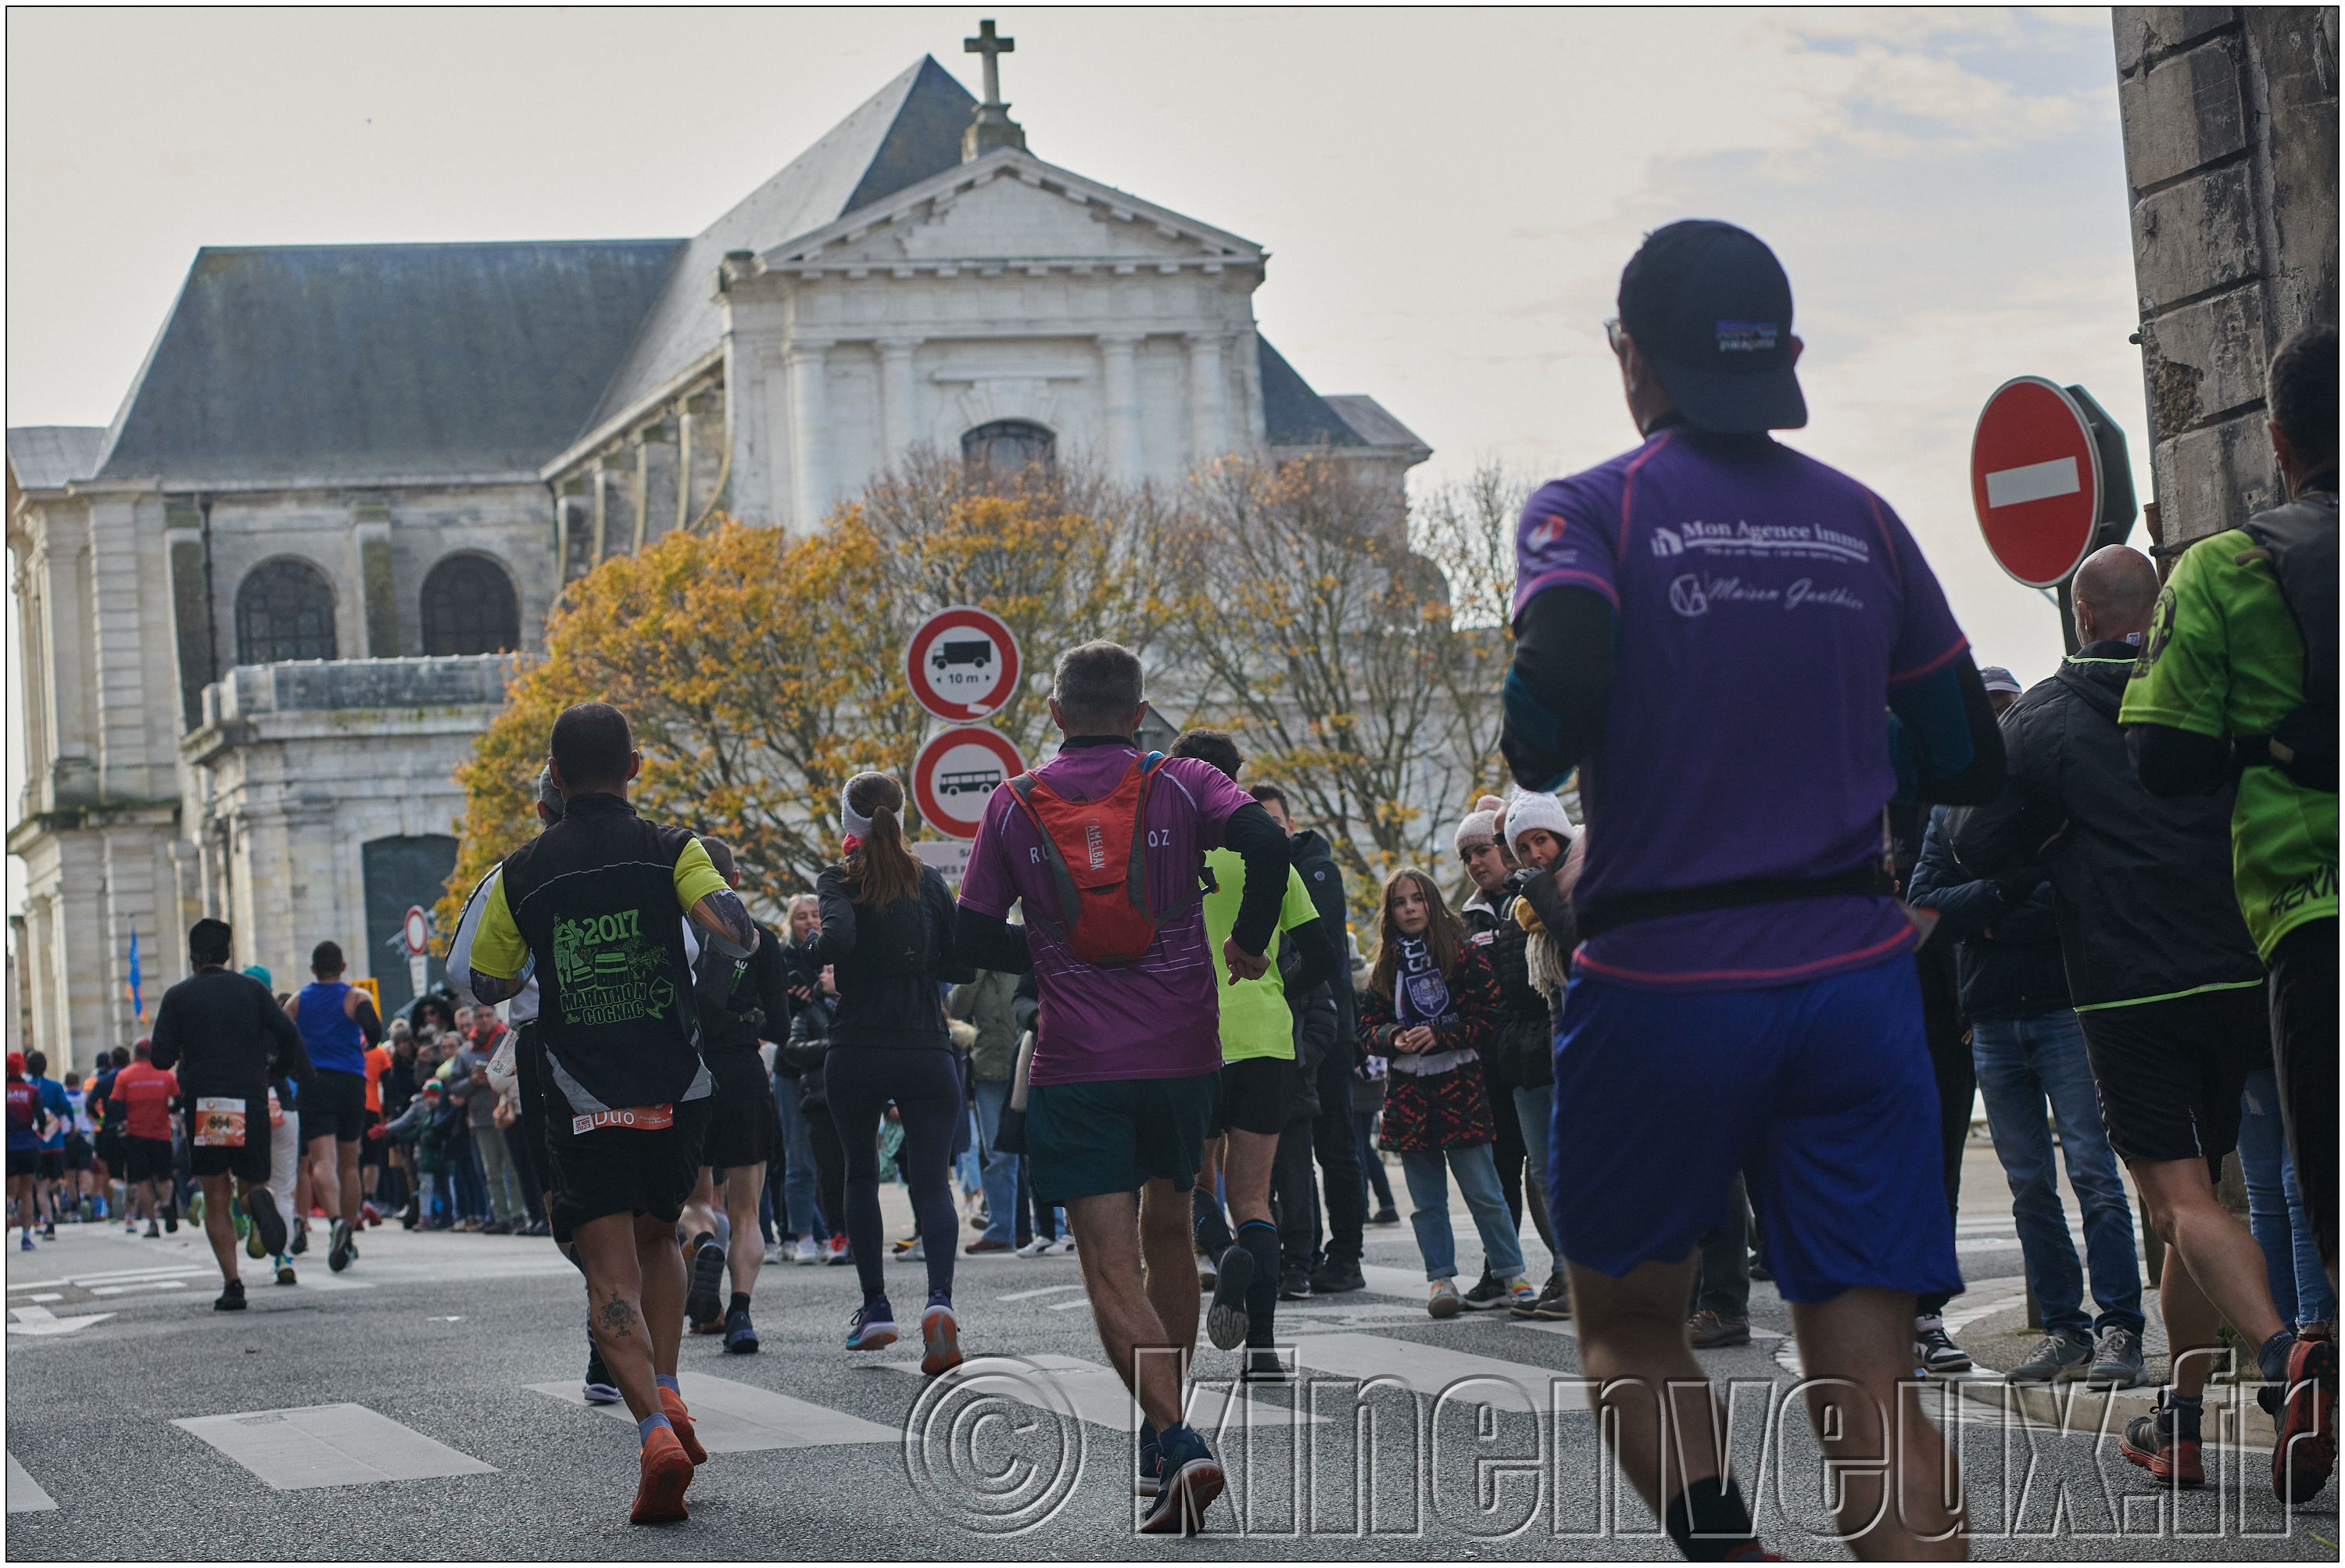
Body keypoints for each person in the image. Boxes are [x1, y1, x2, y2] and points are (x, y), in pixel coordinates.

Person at [1502, 221, 1997, 1558]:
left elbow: (1549, 709)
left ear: (1631, 359)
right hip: (1852, 976)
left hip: (1665, 979)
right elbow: (1963, 752)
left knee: (1628, 1329)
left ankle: (1727, 1549)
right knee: (1871, 1381)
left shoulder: (1585, 507)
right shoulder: (1864, 519)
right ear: (1784, 356)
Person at [1954, 541, 2323, 1496]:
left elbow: (1973, 839)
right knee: (2193, 1209)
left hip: (2128, 989)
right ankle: (2185, 1421)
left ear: (2081, 617)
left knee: (2181, 1200)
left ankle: (2290, 1360)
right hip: (2243, 967)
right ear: (2157, 611)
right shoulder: (2210, 689)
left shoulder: (2039, 719)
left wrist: (2048, 831)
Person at [954, 640, 1293, 1534]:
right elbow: (1265, 835)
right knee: (1172, 1228)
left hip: (1079, 1062)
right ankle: (1165, 1430)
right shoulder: (1181, 781)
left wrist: (1042, 945)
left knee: (1109, 1264)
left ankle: (1173, 1433)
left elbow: (966, 936)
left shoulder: (1014, 802)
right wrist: (1251, 937)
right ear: (1141, 713)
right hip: (1184, 1056)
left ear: (1056, 714)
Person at [2123, 322, 2337, 1495]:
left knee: (2330, 1192)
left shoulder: (2225, 568)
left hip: (2314, 915)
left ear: (2276, 437)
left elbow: (2159, 755)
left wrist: (2262, 738)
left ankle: (2318, 1366)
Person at [463, 702, 761, 1525]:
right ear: (636, 767)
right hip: (675, 1083)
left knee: (608, 1269)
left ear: (553, 776)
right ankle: (670, 1384)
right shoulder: (674, 847)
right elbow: (736, 935)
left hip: (581, 1090)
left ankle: (655, 1429)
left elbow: (486, 981)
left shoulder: (522, 870)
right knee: (661, 1232)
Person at [1910, 800, 2143, 1386]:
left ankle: (2121, 1328)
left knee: (2094, 1172)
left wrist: (1984, 909)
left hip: (2062, 1008)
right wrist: (2011, 890)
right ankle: (2065, 1329)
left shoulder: (2049, 802)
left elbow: (2076, 898)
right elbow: (1926, 907)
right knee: (2029, 1187)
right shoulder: (1949, 816)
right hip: (1989, 1017)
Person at [1168, 729, 1341, 1377]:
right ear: (1233, 781)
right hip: (1266, 1038)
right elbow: (1323, 957)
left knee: (1188, 1181)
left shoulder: (1168, 855)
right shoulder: (1273, 860)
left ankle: (1219, 1251)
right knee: (1254, 1197)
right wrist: (1273, 986)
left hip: (1189, 1036)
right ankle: (1263, 1351)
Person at [795, 773, 974, 1375]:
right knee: (931, 1183)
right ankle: (940, 1301)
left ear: (851, 822)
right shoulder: (927, 880)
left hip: (858, 1049)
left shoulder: (838, 878)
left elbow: (838, 939)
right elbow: (959, 960)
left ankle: (875, 1308)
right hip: (927, 1048)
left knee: (859, 1176)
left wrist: (811, 952)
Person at [1358, 867, 1531, 1318]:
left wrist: (1444, 1035)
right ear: (1390, 913)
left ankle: (1513, 1273)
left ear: (1432, 904)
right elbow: (1366, 1028)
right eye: (1400, 902)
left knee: (1485, 1191)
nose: (1410, 908)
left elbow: (1490, 1015)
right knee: (1426, 1201)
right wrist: (1393, 1036)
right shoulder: (1385, 965)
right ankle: (1441, 1279)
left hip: (1461, 1086)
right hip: (1408, 1095)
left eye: (1417, 899)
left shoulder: (1465, 954)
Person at [148, 919, 313, 1308]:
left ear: (192, 957)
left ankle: (233, 1283)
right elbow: (288, 1033)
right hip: (250, 1099)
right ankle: (257, 1202)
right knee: (251, 1184)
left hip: (206, 1104)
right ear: (228, 954)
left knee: (215, 1195)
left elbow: (159, 1057)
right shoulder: (253, 990)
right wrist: (278, 1068)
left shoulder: (178, 996)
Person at [1248, 783, 1369, 1296]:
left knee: (1337, 1146)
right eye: (1257, 822)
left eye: (1274, 821)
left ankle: (1346, 1254)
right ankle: (1304, 1252)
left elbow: (1302, 938)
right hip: (1281, 1029)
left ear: (1290, 825)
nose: (1268, 831)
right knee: (1292, 1156)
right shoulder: (1256, 870)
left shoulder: (1315, 867)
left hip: (1328, 1028)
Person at [1457, 798, 1570, 1321]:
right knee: (1540, 1173)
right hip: (1514, 1054)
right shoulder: (1483, 911)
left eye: (1492, 847)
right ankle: (1552, 1271)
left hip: (1556, 1045)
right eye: (1475, 853)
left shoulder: (1546, 890)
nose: (1487, 859)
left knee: (1569, 1168)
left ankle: (1585, 1273)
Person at [681, 836, 791, 1353]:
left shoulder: (673, 936)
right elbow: (785, 1028)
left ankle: (702, 1238)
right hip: (744, 1075)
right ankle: (741, 1312)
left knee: (694, 1200)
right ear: (736, 882)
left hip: (687, 1080)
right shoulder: (761, 941)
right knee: (748, 1210)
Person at [283, 940, 384, 1272]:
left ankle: (336, 1220)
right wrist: (365, 1044)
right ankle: (349, 1232)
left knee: (321, 1160)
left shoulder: (298, 1000)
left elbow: (281, 1037)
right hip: (351, 1082)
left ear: (312, 969)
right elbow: (374, 1029)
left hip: (313, 1082)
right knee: (350, 1163)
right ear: (342, 966)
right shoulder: (355, 997)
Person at [951, 966, 1024, 1256]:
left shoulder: (1021, 964)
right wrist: (976, 973)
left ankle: (1056, 1230)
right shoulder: (973, 970)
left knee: (1040, 1148)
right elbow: (955, 1009)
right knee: (997, 1155)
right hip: (987, 1072)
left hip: (1027, 1065)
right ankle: (1000, 1231)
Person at [774, 893, 831, 1263]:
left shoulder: (835, 955)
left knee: (832, 1160)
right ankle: (802, 1235)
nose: (810, 922)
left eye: (815, 915)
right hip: (793, 1069)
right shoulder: (781, 960)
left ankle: (834, 1233)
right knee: (799, 1158)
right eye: (801, 917)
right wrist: (792, 1000)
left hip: (829, 1070)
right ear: (790, 925)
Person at [108, 1040, 181, 1237]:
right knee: (165, 1178)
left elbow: (114, 1104)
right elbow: (179, 1099)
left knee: (142, 1182)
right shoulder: (166, 1074)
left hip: (136, 1136)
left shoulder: (125, 1075)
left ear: (135, 1055)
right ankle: (165, 1204)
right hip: (162, 1134)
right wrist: (169, 1110)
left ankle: (152, 1224)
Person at [6, 1054, 52, 1249]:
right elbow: (41, 1117)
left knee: (8, 1193)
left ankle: (8, 1212)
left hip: (7, 1145)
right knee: (26, 1192)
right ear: (22, 1067)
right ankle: (26, 1237)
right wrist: (41, 1131)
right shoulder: (31, 1090)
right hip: (28, 1144)